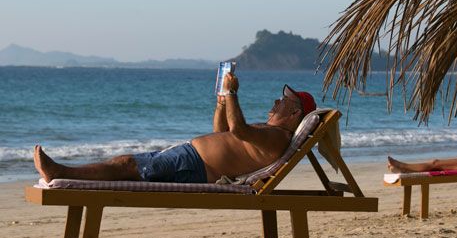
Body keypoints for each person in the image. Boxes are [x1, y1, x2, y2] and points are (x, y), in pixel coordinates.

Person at [33, 73, 316, 184]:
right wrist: (220, 104)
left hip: (194, 165)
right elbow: (224, 133)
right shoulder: (269, 133)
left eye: (284, 101)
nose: (277, 101)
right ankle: (64, 172)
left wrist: (231, 94)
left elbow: (238, 130)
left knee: (128, 165)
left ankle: (62, 173)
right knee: (127, 164)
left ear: (294, 113)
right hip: (190, 158)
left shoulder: (277, 137)